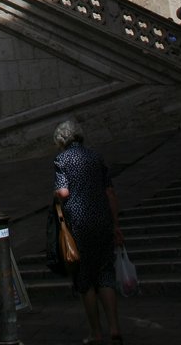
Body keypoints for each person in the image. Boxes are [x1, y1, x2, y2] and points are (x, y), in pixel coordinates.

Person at [53, 118, 123, 345]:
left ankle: (96, 332)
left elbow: (63, 192)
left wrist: (55, 195)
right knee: (105, 274)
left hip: (79, 224)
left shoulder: (62, 159)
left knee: (85, 279)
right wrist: (115, 224)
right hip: (102, 220)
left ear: (61, 140)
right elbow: (110, 192)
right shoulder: (95, 157)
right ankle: (114, 328)